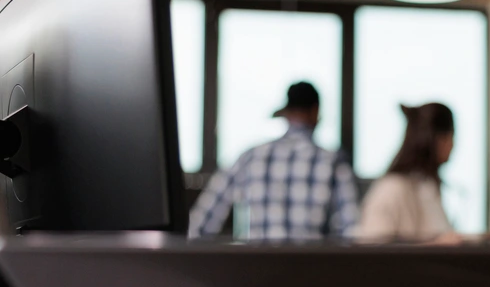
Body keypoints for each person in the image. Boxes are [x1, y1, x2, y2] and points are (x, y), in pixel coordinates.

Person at [189, 81, 360, 241]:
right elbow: (352, 231)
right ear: (315, 111)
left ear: (286, 113)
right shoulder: (334, 163)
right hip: (312, 270)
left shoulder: (250, 158)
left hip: (257, 270)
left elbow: (201, 223)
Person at [356, 102, 460, 243]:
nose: (452, 145)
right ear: (433, 139)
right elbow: (372, 255)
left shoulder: (427, 187)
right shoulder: (391, 190)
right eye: (449, 136)